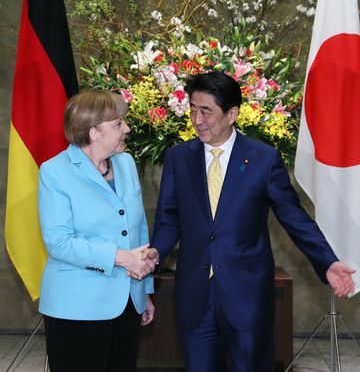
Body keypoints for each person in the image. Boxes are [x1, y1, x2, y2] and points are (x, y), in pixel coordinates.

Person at [147, 71, 355, 372]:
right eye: (192, 108)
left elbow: (294, 216)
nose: (197, 119)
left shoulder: (262, 158)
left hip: (246, 297)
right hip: (195, 296)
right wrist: (156, 252)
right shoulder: (178, 158)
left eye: (206, 111)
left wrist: (327, 261)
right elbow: (168, 220)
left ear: (232, 113)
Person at [38, 90, 157, 372]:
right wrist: (121, 257)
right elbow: (59, 242)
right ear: (93, 132)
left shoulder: (126, 163)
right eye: (118, 124)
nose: (127, 129)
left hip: (128, 301)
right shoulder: (54, 172)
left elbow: (137, 229)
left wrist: (144, 290)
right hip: (77, 307)